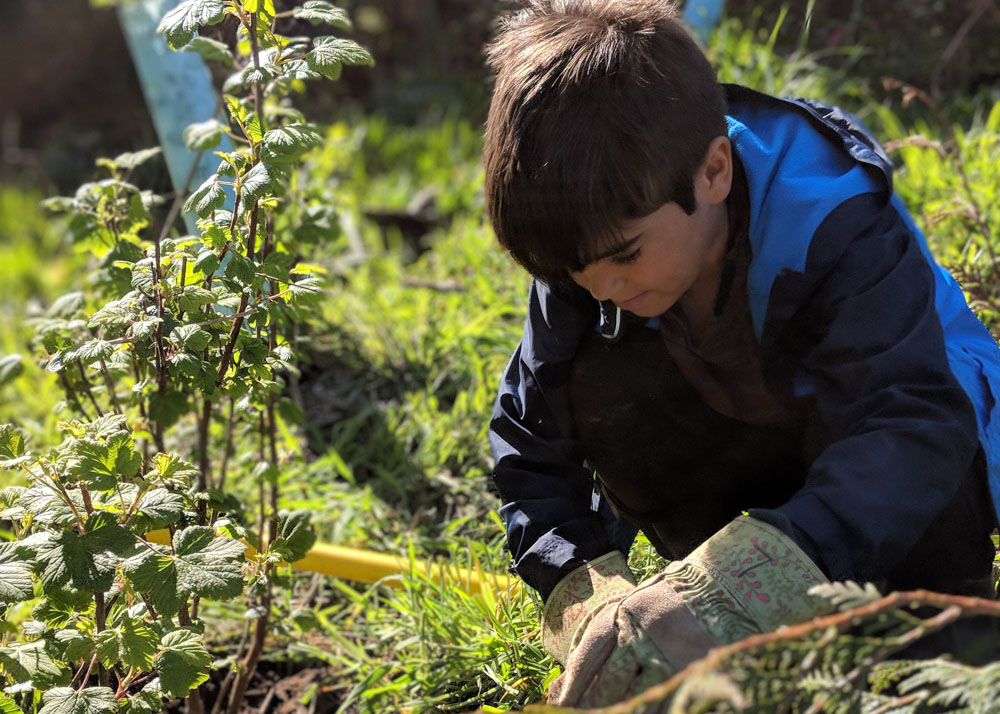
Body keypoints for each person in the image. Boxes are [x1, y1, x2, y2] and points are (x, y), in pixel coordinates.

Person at [482, 0, 1000, 707]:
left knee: (927, 636)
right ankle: (735, 622)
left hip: (919, 467)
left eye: (624, 256)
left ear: (715, 171)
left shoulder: (834, 223)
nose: (601, 287)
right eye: (575, 271)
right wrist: (591, 601)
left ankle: (927, 643)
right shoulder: (592, 248)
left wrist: (726, 591)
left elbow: (912, 428)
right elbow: (529, 450)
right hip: (764, 452)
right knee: (594, 380)